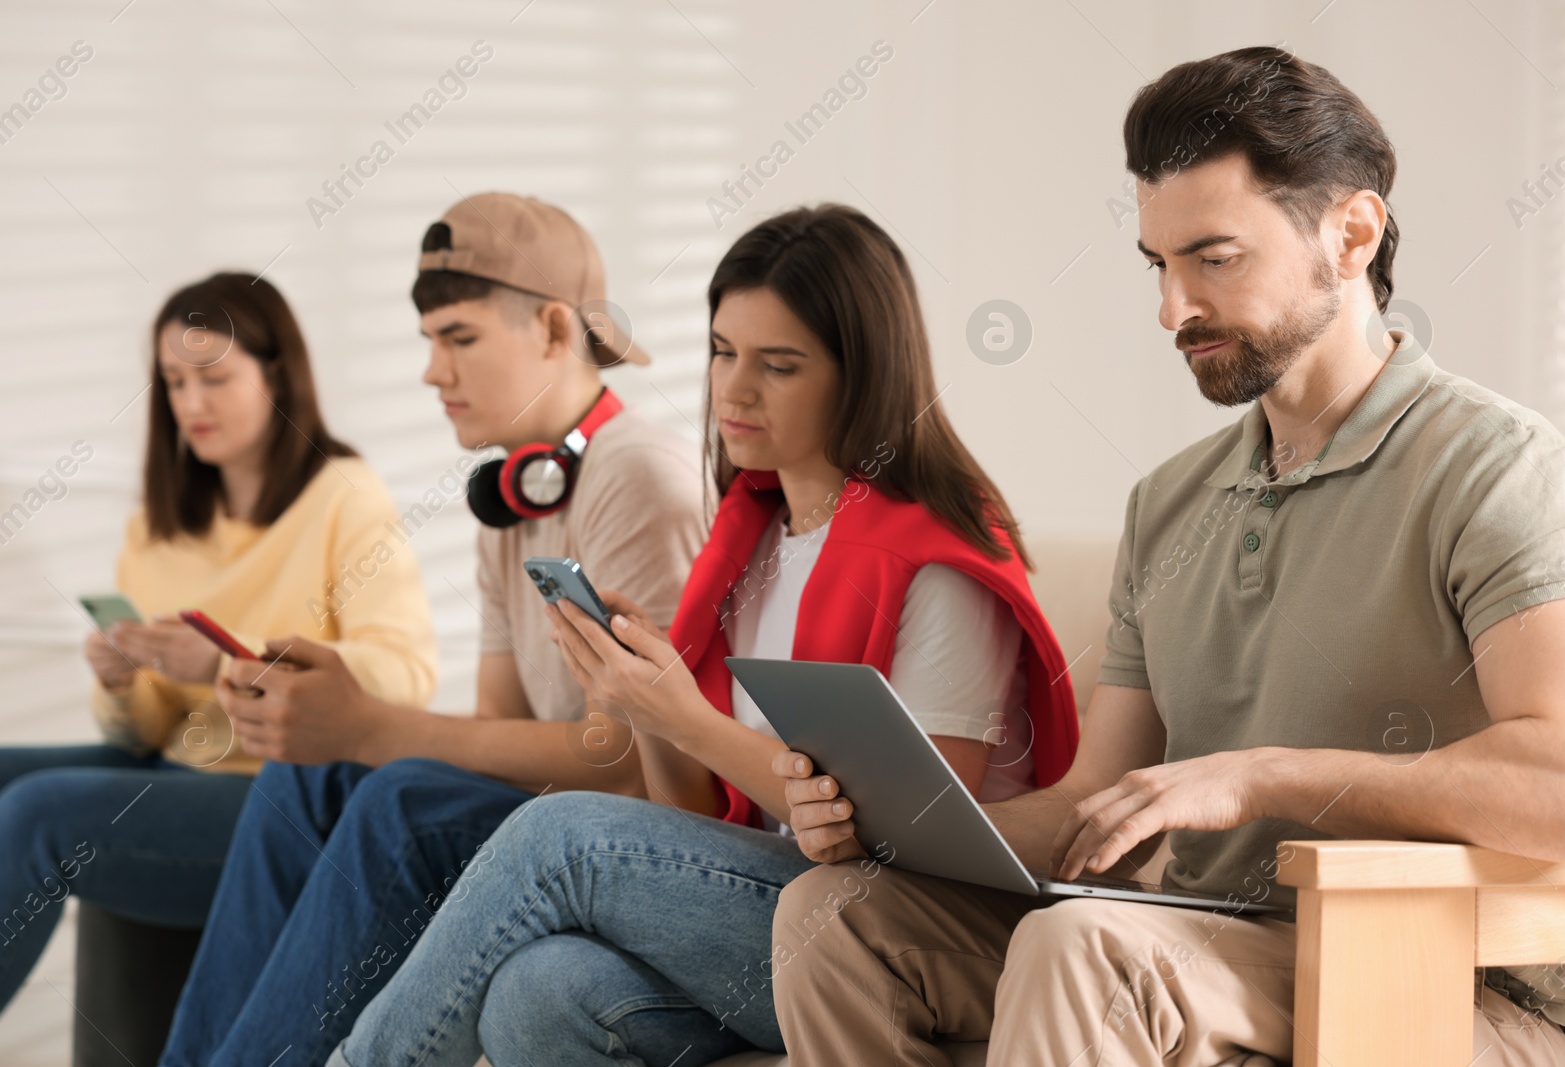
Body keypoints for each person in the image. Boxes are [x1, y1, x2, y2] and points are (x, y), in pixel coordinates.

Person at [769, 46, 1565, 1067]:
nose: (1172, 309)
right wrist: (892, 824)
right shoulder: (1167, 503)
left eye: (1213, 257)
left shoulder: (1496, 467)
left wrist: (1259, 777)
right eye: (1158, 266)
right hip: (1199, 944)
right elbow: (1094, 805)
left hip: (1443, 977)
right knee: (837, 916)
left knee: (1087, 949)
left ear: (1350, 232)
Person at [320, 202, 1082, 1067]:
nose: (734, 389)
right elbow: (693, 815)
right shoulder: (751, 540)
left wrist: (683, 715)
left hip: (896, 923)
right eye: (723, 351)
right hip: (773, 897)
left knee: (556, 836)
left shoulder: (940, 562)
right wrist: (640, 700)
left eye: (780, 365)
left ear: (862, 375)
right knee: (542, 988)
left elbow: (918, 832)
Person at [158, 194, 711, 1067]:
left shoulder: (637, 477)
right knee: (309, 778)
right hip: (548, 819)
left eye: (458, 338)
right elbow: (501, 727)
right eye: (429, 342)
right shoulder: (513, 494)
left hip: (625, 839)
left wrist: (377, 725)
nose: (432, 371)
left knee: (404, 801)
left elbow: (631, 762)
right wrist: (338, 718)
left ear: (556, 330)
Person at [0, 272, 436, 1009]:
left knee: (39, 812)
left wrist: (228, 661)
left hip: (283, 796)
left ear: (276, 374)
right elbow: (150, 730)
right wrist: (120, 681)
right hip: (180, 762)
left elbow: (403, 675)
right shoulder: (160, 523)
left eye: (213, 377)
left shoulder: (343, 494)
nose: (191, 404)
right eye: (173, 382)